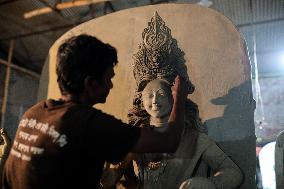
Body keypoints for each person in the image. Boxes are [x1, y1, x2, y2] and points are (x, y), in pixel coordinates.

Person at [2, 34, 188, 189]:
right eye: (108, 78)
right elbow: (168, 141)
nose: (111, 85)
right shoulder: (89, 124)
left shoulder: (34, 113)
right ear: (90, 84)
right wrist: (179, 97)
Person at [125, 79, 244, 189]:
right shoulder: (136, 136)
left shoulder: (194, 138)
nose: (155, 100)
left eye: (161, 94)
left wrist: (210, 183)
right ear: (142, 101)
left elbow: (233, 172)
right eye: (149, 95)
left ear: (173, 98)